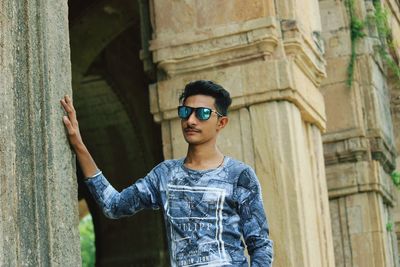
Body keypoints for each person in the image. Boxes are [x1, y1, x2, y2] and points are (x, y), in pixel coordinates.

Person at [61, 80, 273, 266]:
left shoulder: (239, 176)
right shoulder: (165, 175)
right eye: (185, 112)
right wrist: (78, 144)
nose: (191, 120)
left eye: (202, 113)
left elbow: (260, 245)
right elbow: (113, 206)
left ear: (221, 122)